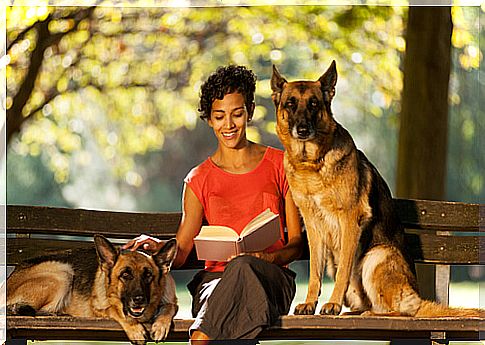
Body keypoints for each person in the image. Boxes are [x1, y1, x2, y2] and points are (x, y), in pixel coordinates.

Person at [123, 65, 303, 344]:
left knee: (243, 267)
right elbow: (181, 251)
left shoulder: (281, 165)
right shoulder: (199, 179)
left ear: (250, 111)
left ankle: (202, 338)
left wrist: (263, 259)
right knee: (236, 289)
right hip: (215, 286)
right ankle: (205, 335)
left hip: (272, 282)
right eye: (219, 116)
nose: (228, 125)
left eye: (237, 114)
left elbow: (297, 243)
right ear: (209, 119)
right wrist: (159, 247)